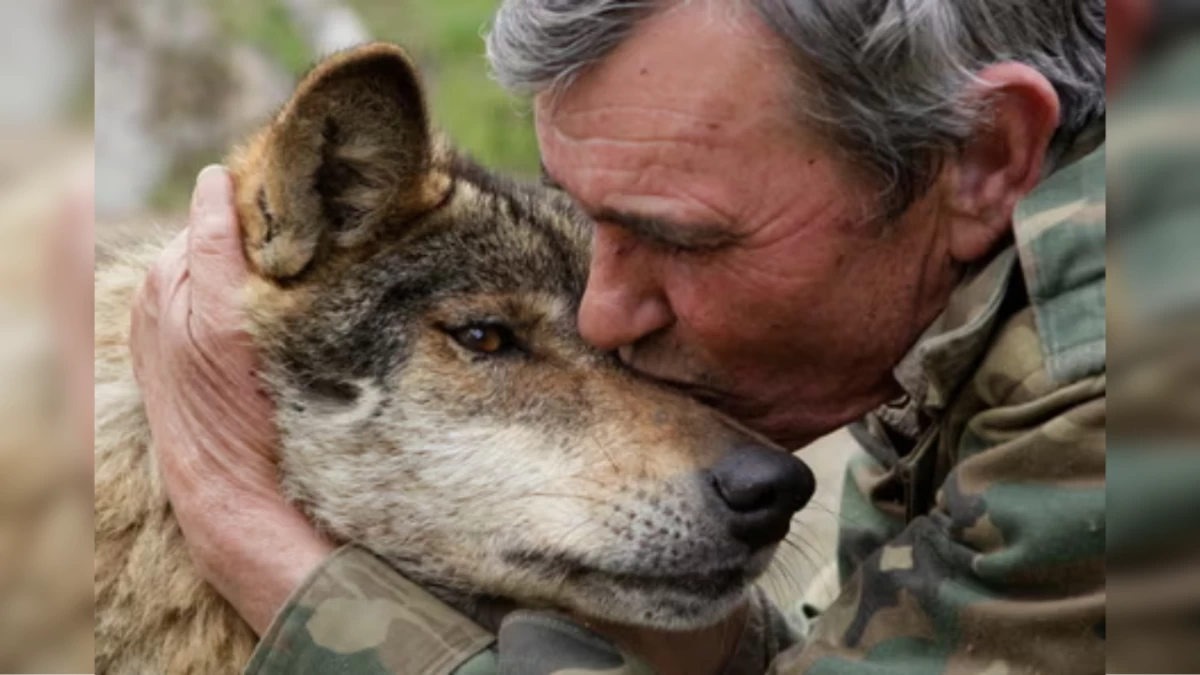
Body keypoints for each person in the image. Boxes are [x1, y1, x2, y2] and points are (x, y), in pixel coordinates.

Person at [130, 0, 1113, 673]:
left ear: (983, 159)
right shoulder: (972, 322)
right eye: (596, 225)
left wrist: (237, 519)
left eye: (679, 236)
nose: (605, 314)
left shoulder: (1121, 380)